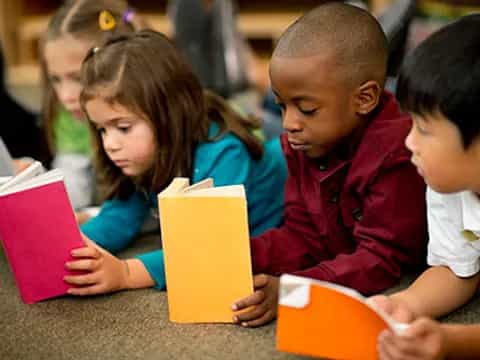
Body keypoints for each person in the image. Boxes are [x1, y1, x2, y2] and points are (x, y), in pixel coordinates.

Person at [230, 2, 427, 328]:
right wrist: (238, 256)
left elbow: (380, 259)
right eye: (281, 106)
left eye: (306, 109)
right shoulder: (303, 143)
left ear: (364, 99)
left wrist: (295, 291)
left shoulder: (398, 154)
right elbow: (302, 237)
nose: (289, 123)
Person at [62, 29, 287, 296]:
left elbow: (207, 248)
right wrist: (71, 247)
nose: (109, 143)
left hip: (295, 171)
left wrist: (126, 272)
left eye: (122, 127)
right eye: (102, 130)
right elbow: (121, 214)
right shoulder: (140, 155)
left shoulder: (223, 153)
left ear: (169, 116)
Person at [365, 14, 480, 360]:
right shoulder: (451, 180)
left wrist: (452, 343)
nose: (409, 143)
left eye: (425, 130)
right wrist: (405, 305)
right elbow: (456, 268)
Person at [40, 0, 144, 211]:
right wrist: (36, 184)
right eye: (56, 80)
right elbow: (73, 181)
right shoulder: (68, 117)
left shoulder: (145, 111)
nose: (65, 96)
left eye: (78, 78)